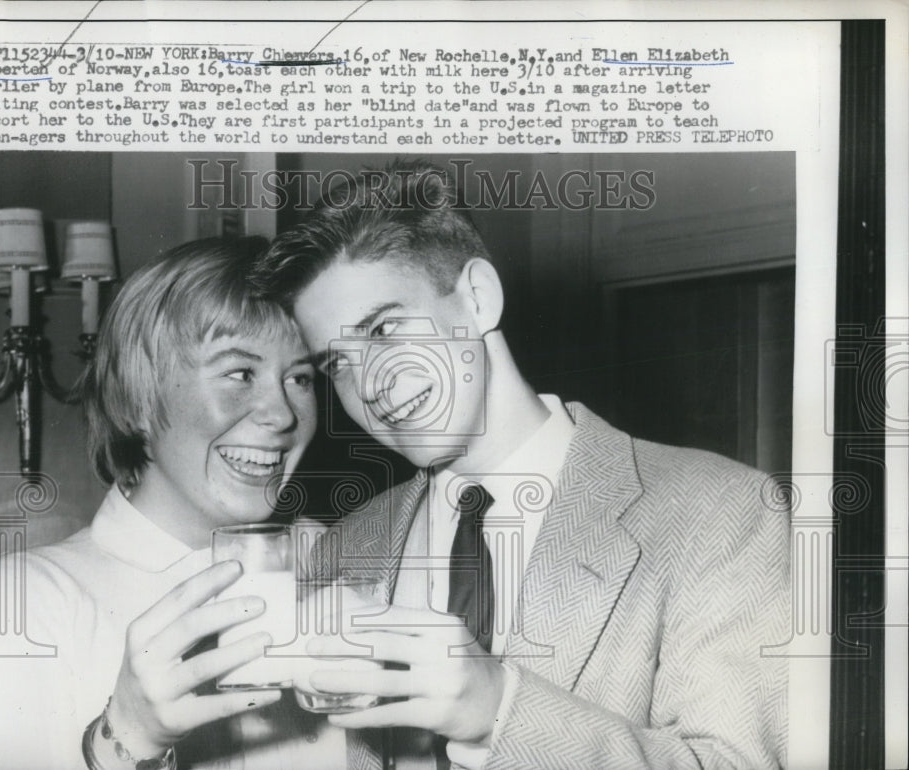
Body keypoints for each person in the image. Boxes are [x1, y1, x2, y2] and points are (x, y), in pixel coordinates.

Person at [252, 162, 791, 769]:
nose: (370, 386)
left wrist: (500, 710)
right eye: (337, 365)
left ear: (478, 298)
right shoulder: (348, 546)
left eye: (384, 328)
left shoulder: (723, 513)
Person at [0, 239, 344, 769]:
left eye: (299, 377)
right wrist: (126, 738)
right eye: (240, 373)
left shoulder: (343, 563)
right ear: (138, 399)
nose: (281, 413)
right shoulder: (28, 602)